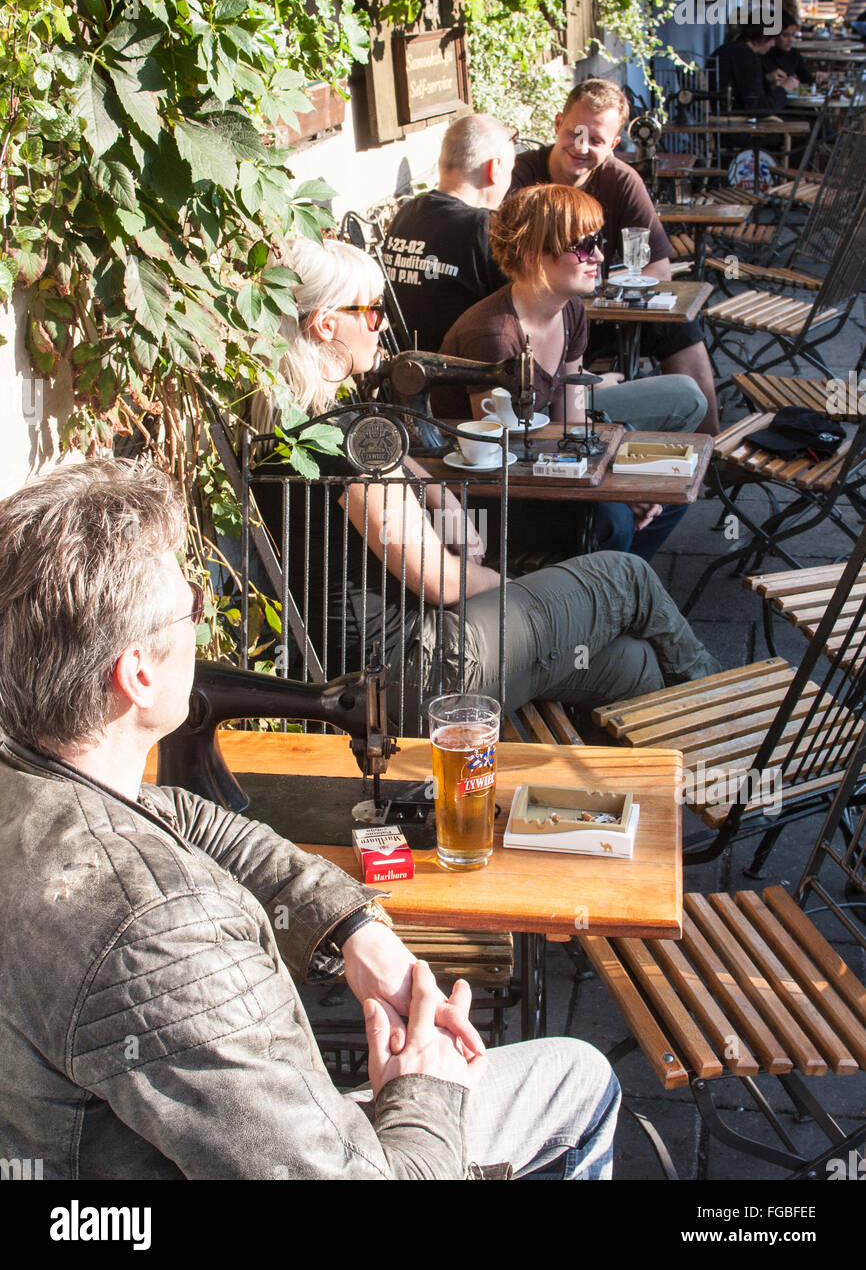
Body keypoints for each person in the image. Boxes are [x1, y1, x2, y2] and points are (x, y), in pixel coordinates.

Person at [0, 458, 622, 1180]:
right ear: (137, 674)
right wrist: (424, 1088)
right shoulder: (163, 940)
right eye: (193, 606)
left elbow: (185, 819)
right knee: (578, 1079)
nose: (202, 621)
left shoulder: (42, 785)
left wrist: (352, 928)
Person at [250, 236, 720, 719]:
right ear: (327, 325)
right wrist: (512, 584)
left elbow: (402, 463)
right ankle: (717, 710)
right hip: (410, 670)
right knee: (628, 576)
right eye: (371, 312)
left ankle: (670, 757)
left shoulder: (302, 421)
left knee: (633, 664)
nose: (382, 323)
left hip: (397, 663)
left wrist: (446, 504)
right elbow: (442, 581)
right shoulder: (347, 446)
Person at [439, 182, 697, 564]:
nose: (598, 254)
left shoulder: (571, 309)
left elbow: (571, 424)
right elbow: (496, 455)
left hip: (535, 461)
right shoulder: (492, 335)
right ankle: (594, 589)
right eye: (581, 246)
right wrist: (612, 491)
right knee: (613, 520)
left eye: (598, 240)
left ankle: (614, 582)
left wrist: (623, 480)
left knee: (670, 495)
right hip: (483, 498)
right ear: (531, 256)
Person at [509, 78, 720, 433]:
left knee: (681, 328)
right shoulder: (521, 176)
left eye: (596, 140)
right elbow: (506, 262)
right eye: (575, 132)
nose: (581, 146)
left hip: (604, 319)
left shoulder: (621, 179)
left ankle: (709, 453)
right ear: (557, 123)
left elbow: (658, 268)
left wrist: (609, 290)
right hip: (541, 319)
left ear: (614, 145)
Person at [381, 113, 513, 352]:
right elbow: (519, 308)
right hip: (461, 373)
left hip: (406, 371)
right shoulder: (483, 227)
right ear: (495, 169)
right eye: (510, 172)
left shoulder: (406, 213)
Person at [711, 18, 788, 112]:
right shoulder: (747, 58)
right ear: (763, 38)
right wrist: (783, 89)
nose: (773, 44)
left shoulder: (728, 49)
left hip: (721, 113)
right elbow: (757, 109)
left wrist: (766, 80)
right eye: (773, 39)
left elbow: (742, 86)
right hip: (735, 121)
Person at [763, 11, 813, 92]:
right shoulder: (762, 55)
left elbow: (807, 79)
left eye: (793, 35)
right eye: (785, 36)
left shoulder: (793, 54)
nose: (790, 40)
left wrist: (817, 78)